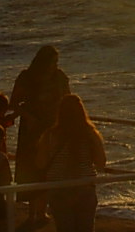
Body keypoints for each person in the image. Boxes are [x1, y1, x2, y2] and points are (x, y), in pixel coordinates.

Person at [10, 45, 70, 225]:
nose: (55, 65)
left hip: (53, 127)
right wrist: (29, 117)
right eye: (52, 62)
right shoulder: (26, 77)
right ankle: (32, 213)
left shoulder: (59, 77)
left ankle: (42, 211)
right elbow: (14, 102)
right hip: (32, 128)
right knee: (32, 168)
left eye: (56, 62)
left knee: (49, 169)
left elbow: (68, 100)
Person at [36, 94, 106, 232]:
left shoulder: (50, 135)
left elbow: (40, 163)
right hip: (84, 187)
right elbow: (101, 162)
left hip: (58, 187)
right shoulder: (90, 134)